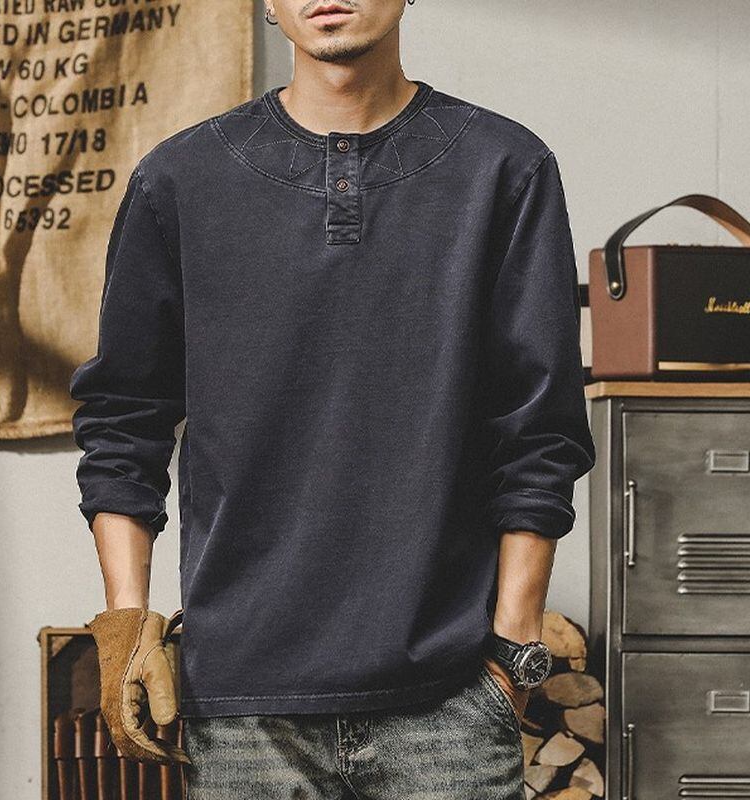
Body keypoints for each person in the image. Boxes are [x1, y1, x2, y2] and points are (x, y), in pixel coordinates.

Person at [69, 1, 596, 797]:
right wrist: (126, 619)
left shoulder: (505, 167)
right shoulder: (179, 179)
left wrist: (511, 646)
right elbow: (122, 417)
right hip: (242, 708)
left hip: (448, 700)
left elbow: (542, 425)